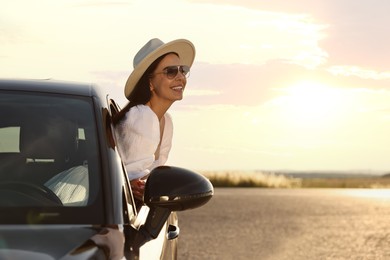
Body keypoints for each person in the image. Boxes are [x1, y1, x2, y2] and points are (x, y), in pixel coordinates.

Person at [113, 38, 196, 201]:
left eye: (182, 70)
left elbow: (154, 178)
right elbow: (134, 180)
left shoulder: (166, 122)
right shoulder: (141, 116)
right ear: (150, 82)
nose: (180, 77)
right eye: (171, 71)